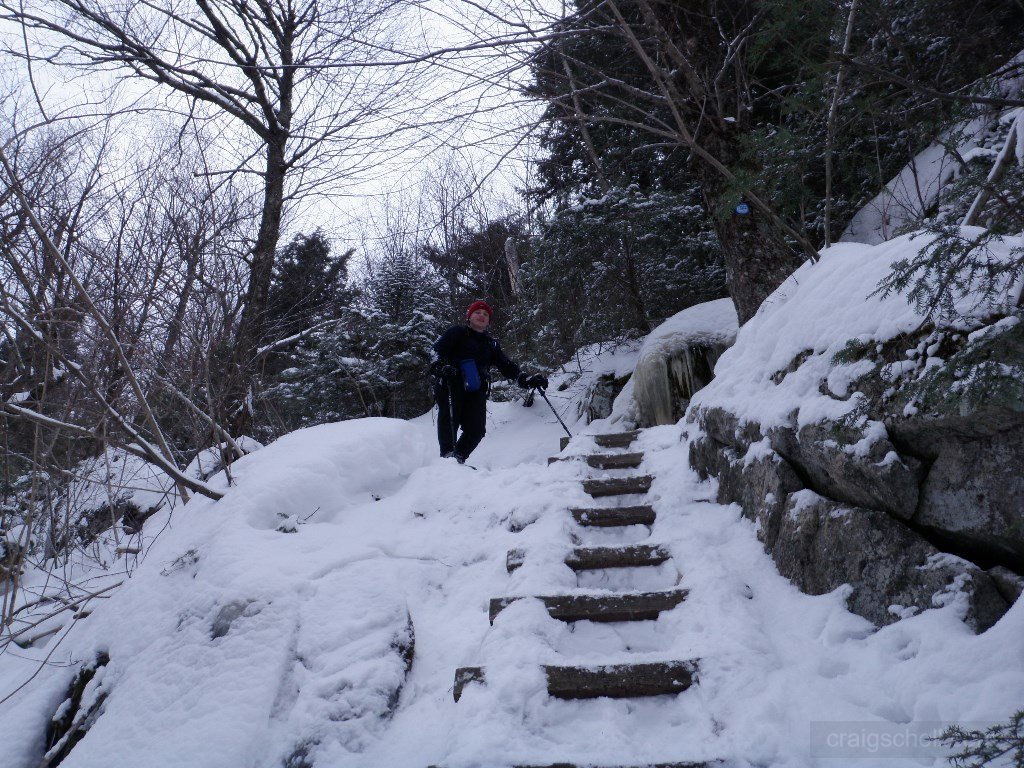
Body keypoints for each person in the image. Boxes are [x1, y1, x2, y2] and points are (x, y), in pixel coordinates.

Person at [430, 300, 548, 463]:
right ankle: (447, 456)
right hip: (451, 384)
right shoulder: (457, 333)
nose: (482, 315)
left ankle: (457, 459)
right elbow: (436, 351)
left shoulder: (490, 344)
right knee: (450, 420)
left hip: (476, 389)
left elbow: (506, 366)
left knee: (476, 430)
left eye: (486, 314)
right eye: (477, 312)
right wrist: (441, 367)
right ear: (469, 316)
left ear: (488, 321)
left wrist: (526, 379)